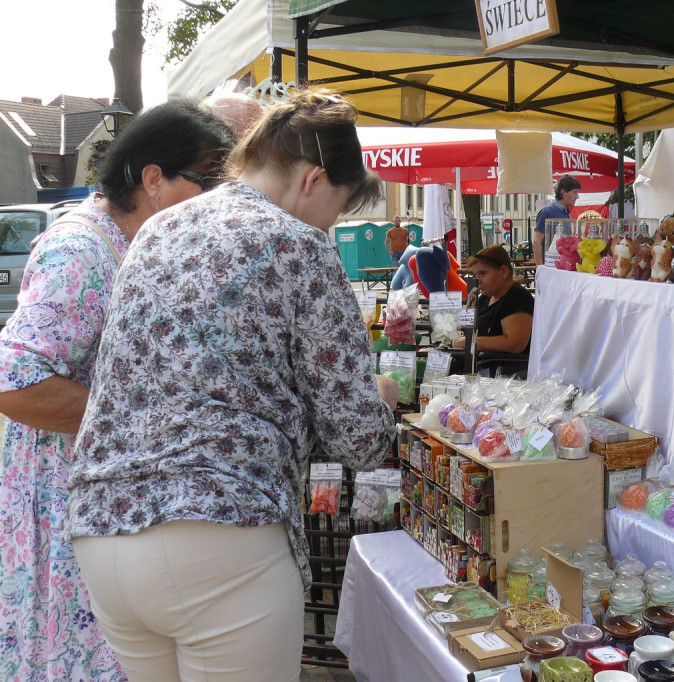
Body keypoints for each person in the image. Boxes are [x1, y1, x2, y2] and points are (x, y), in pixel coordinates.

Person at [64, 89, 399, 682]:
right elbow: (357, 440)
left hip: (103, 526)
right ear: (314, 179)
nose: (332, 224)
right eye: (339, 207)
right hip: (220, 533)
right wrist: (384, 402)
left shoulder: (159, 229)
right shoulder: (300, 245)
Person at [0, 99, 235, 682]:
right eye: (207, 180)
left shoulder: (127, 244)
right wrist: (150, 418)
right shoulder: (79, 250)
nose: (217, 198)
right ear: (153, 178)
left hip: (94, 505)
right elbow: (13, 380)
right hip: (65, 503)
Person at [454, 245, 533, 376]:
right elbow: (468, 326)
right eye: (475, 274)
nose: (478, 280)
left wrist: (471, 342)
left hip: (504, 375)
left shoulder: (517, 297)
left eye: (483, 273)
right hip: (479, 368)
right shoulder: (485, 297)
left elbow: (514, 343)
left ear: (503, 271)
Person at [533, 174, 581, 266]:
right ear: (563, 192)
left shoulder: (566, 212)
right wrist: (540, 267)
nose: (577, 196)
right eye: (575, 192)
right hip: (550, 266)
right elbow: (537, 241)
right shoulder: (547, 212)